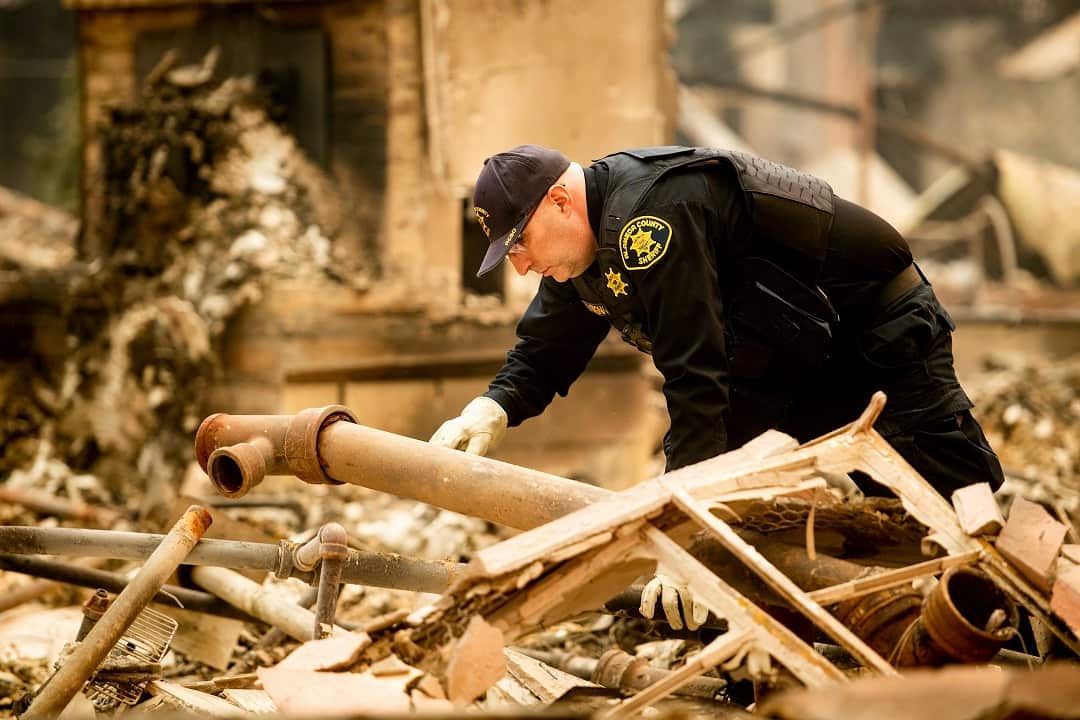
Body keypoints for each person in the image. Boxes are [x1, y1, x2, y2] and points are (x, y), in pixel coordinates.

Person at [430, 144, 1004, 627]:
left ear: (559, 200)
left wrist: (681, 536)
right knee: (803, 518)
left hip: (876, 330)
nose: (522, 267)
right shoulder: (584, 251)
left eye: (521, 243)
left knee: (943, 504)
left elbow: (695, 379)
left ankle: (1018, 633)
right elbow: (546, 346)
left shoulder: (651, 219)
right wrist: (492, 406)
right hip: (791, 356)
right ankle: (815, 665)